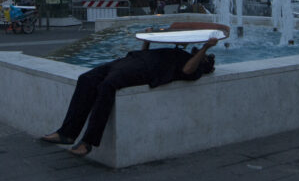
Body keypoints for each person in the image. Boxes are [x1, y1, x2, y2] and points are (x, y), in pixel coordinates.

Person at [41, 35, 218, 157]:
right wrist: (147, 41)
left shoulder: (196, 68)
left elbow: (187, 70)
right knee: (86, 79)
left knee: (107, 86)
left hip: (145, 70)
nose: (201, 53)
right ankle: (67, 133)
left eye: (206, 57)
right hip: (131, 60)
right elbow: (147, 52)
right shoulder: (181, 53)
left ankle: (87, 143)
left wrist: (205, 48)